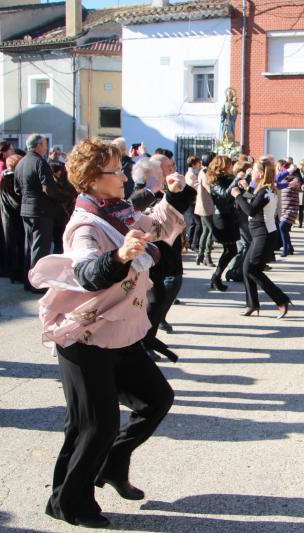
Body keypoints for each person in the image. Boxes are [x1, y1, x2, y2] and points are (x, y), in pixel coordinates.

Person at [28, 139, 182, 529]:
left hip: (118, 332)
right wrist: (120, 256)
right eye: (116, 170)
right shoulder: (86, 224)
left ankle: (112, 464)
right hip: (84, 337)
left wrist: (176, 193)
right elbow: (85, 271)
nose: (124, 176)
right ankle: (69, 503)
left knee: (156, 399)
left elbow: (154, 225)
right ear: (95, 179)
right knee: (93, 425)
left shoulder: (119, 212)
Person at [131, 156, 192, 345]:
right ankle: (145, 339)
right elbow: (137, 211)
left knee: (165, 292)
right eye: (167, 167)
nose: (173, 169)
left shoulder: (165, 188)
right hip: (152, 253)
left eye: (173, 165)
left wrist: (177, 188)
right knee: (156, 297)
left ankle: (151, 332)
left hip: (168, 249)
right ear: (151, 174)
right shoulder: (143, 192)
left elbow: (185, 202)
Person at [233, 160, 291, 317]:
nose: (251, 172)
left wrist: (237, 196)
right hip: (260, 235)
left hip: (264, 235)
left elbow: (251, 210)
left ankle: (281, 300)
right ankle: (252, 304)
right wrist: (247, 188)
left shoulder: (265, 192)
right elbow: (253, 199)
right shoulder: (264, 190)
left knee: (253, 270)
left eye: (253, 170)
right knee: (246, 269)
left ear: (260, 174)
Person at [14, 134, 62, 293]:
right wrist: (60, 197)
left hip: (26, 209)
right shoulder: (40, 162)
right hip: (41, 210)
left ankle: (28, 281)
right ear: (38, 145)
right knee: (40, 248)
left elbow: (17, 189)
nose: (46, 147)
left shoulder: (21, 162)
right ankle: (37, 284)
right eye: (44, 144)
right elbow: (48, 188)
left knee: (29, 246)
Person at [207, 155, 240, 291]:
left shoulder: (228, 178)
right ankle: (216, 277)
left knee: (230, 250)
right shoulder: (214, 181)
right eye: (229, 164)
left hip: (230, 216)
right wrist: (236, 180)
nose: (231, 166)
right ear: (223, 166)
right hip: (222, 217)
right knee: (231, 250)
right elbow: (225, 195)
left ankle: (216, 277)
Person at [0, 154, 26, 283]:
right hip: (12, 219)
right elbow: (15, 201)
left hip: (10, 217)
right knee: (15, 246)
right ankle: (15, 273)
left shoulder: (8, 178)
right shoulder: (9, 179)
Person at [50, 160, 77, 254]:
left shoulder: (64, 180)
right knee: (59, 240)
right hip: (61, 215)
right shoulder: (57, 181)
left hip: (63, 214)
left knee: (60, 240)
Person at [194, 153, 215, 266]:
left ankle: (201, 255)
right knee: (211, 231)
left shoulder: (203, 171)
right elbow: (210, 188)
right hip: (207, 206)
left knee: (206, 230)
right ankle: (207, 255)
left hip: (203, 205)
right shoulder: (206, 173)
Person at [276, 162, 302, 257]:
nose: (283, 171)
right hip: (284, 208)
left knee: (282, 227)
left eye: (285, 169)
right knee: (285, 229)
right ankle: (290, 247)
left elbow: (294, 184)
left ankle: (285, 249)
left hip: (292, 208)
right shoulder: (283, 179)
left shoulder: (295, 179)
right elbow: (276, 182)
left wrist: (283, 176)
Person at [184, 155, 203, 250]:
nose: (200, 164)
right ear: (194, 164)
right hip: (191, 201)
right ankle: (194, 244)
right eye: (198, 162)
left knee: (194, 223)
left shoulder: (193, 173)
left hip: (192, 201)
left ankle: (190, 242)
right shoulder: (190, 175)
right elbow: (192, 187)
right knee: (198, 223)